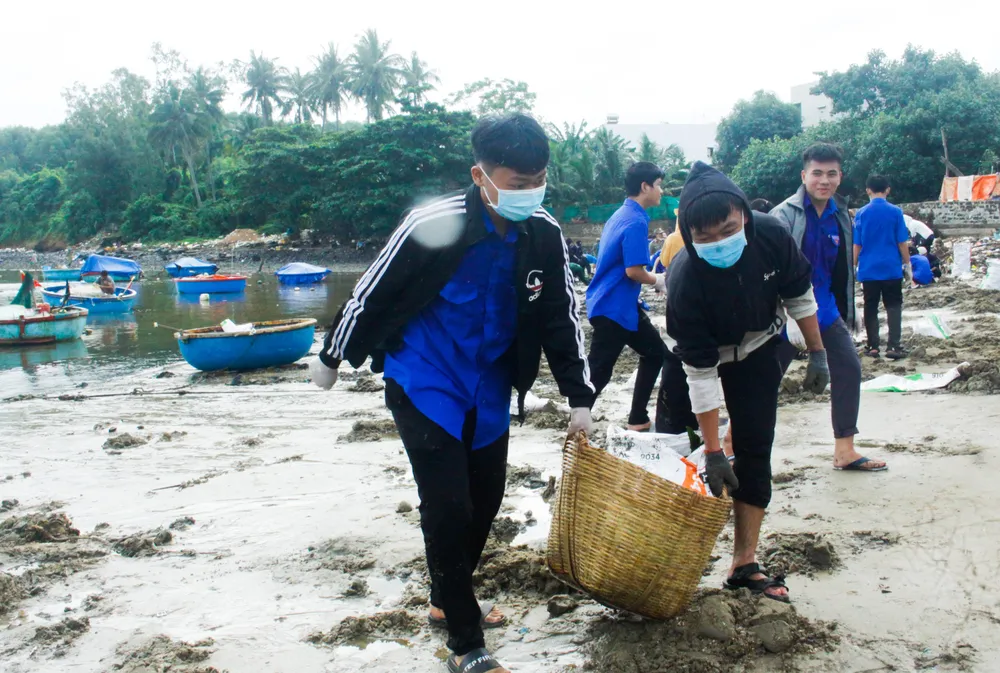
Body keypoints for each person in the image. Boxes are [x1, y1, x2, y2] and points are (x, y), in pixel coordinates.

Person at [309, 113, 594, 673]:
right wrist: (332, 355)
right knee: (449, 507)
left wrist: (578, 395)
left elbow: (561, 315)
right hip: (425, 376)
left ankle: (445, 597)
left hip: (489, 381)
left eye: (538, 179)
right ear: (481, 175)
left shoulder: (543, 233)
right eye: (517, 182)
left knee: (485, 501)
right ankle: (466, 645)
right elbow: (373, 289)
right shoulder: (432, 222)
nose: (529, 192)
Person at [666, 162, 827, 601]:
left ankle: (744, 562)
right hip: (697, 361)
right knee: (681, 456)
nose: (719, 242)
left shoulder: (771, 235)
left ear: (744, 217)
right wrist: (715, 449)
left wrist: (817, 352)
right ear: (688, 233)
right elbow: (699, 374)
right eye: (705, 237)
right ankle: (667, 557)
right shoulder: (684, 278)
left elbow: (799, 295)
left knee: (755, 448)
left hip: (758, 350)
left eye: (728, 229)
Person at [771, 143, 887, 472]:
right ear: (804, 175)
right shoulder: (784, 215)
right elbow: (770, 269)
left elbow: (841, 270)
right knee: (766, 381)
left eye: (831, 173)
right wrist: (780, 314)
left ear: (840, 176)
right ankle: (732, 443)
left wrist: (849, 310)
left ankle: (844, 450)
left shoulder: (841, 215)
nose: (825, 180)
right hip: (788, 315)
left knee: (849, 368)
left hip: (826, 310)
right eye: (817, 173)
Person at [585, 161, 668, 431]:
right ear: (645, 187)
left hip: (619, 305)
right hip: (613, 308)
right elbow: (634, 271)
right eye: (658, 185)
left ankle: (638, 418)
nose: (661, 190)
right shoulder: (635, 221)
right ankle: (577, 424)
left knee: (655, 353)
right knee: (599, 371)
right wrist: (659, 280)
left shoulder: (621, 214)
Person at [853, 175, 911, 359]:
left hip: (868, 269)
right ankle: (894, 346)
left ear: (868, 190)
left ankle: (873, 346)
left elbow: (857, 244)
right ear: (888, 190)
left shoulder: (861, 213)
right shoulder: (895, 212)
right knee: (893, 305)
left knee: (870, 307)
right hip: (891, 268)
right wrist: (908, 264)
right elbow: (902, 242)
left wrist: (853, 266)